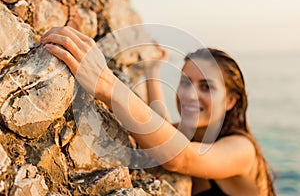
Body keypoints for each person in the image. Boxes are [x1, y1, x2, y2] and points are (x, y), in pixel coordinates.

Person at [42, 26, 276, 195]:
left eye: (206, 86)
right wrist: (151, 72)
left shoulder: (242, 150)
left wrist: (106, 83)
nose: (189, 95)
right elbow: (159, 127)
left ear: (231, 101)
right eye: (185, 82)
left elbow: (181, 158)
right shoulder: (192, 135)